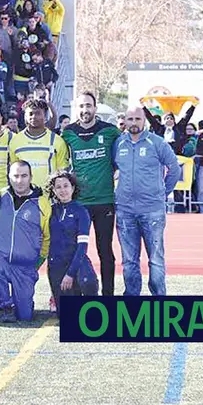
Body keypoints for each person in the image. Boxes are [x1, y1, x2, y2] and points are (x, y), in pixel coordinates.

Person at [113, 107, 180, 296]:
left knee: (156, 259)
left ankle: (159, 296)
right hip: (125, 211)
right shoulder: (118, 144)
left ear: (144, 121)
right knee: (129, 261)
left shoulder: (157, 143)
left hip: (153, 211)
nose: (134, 122)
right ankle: (132, 297)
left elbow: (174, 169)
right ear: (124, 121)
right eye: (130, 119)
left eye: (137, 119)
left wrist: (163, 192)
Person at [61, 92, 122, 295]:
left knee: (105, 250)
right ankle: (74, 291)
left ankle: (108, 294)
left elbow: (118, 160)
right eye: (81, 106)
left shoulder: (111, 131)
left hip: (105, 201)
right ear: (76, 109)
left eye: (89, 106)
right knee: (75, 249)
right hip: (79, 204)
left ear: (95, 108)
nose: (85, 110)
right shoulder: (67, 133)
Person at [0, 161, 51, 322]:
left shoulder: (42, 203)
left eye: (24, 176)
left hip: (25, 267)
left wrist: (39, 261)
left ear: (31, 177)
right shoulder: (0, 197)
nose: (19, 180)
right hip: (1, 259)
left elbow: (47, 236)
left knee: (25, 317)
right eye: (15, 176)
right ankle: (6, 305)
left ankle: (23, 300)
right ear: (9, 177)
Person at [46, 171, 98, 315]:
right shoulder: (50, 210)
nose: (63, 190)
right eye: (58, 187)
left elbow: (82, 246)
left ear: (73, 188)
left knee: (88, 282)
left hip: (77, 260)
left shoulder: (81, 211)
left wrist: (70, 273)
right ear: (53, 190)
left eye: (66, 186)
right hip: (56, 264)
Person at [10, 99, 70, 185]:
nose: (33, 117)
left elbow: (62, 171)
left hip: (48, 196)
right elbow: (14, 172)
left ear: (45, 116)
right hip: (24, 196)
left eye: (38, 113)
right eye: (30, 114)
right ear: (25, 117)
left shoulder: (57, 141)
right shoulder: (15, 141)